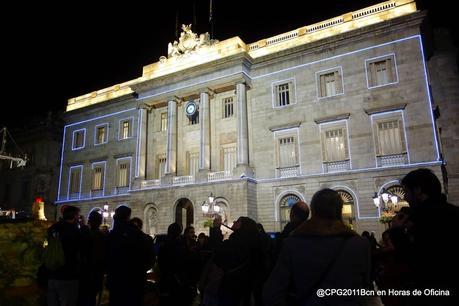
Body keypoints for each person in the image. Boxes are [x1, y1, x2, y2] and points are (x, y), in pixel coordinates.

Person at [263, 189, 370, 306]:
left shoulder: (292, 244)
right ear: (340, 210)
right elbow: (366, 287)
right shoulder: (360, 244)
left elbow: (272, 293)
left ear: (313, 211)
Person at [401, 168, 459, 305]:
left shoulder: (422, 219)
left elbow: (415, 259)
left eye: (406, 192)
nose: (405, 197)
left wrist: (397, 233)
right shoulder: (454, 212)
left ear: (418, 190)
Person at [106, 206, 154, 306]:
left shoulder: (111, 236)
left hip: (116, 281)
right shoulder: (137, 235)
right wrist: (142, 270)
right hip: (134, 280)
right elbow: (149, 258)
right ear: (128, 217)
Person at [47, 205, 83, 306]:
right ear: (75, 216)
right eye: (78, 216)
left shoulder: (53, 228)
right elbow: (80, 249)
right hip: (68, 275)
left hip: (52, 272)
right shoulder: (74, 230)